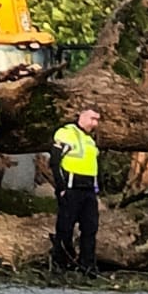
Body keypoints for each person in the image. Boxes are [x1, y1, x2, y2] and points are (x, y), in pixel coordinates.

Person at [50, 107, 101, 276]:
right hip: (71, 188)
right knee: (65, 227)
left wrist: (96, 190)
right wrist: (61, 188)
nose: (94, 124)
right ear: (81, 115)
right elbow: (55, 162)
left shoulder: (90, 140)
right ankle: (60, 263)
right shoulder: (66, 133)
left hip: (89, 191)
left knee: (90, 229)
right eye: (92, 118)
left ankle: (87, 265)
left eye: (97, 120)